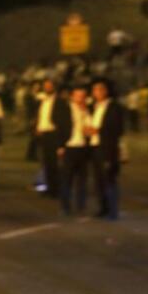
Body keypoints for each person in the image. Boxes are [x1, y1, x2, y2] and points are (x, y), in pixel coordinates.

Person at [58, 85, 101, 216]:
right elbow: (60, 128)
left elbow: (92, 127)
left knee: (82, 179)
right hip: (70, 146)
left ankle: (81, 204)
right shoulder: (66, 109)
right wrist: (60, 146)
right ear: (72, 96)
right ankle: (65, 206)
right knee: (67, 179)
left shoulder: (88, 110)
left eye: (83, 96)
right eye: (78, 96)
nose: (80, 98)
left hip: (84, 147)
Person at [90, 79, 126, 219]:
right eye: (95, 90)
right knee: (98, 180)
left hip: (108, 147)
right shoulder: (94, 107)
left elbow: (118, 129)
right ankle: (103, 207)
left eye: (100, 90)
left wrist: (98, 131)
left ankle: (113, 209)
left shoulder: (114, 107)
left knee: (109, 179)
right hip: (95, 146)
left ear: (106, 91)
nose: (97, 93)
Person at [33, 79, 69, 198]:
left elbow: (63, 120)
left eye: (49, 86)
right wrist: (38, 127)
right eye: (45, 86)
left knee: (55, 163)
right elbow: (41, 116)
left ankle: (56, 189)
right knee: (46, 162)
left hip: (54, 133)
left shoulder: (60, 101)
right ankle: (48, 187)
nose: (47, 88)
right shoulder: (42, 101)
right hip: (44, 134)